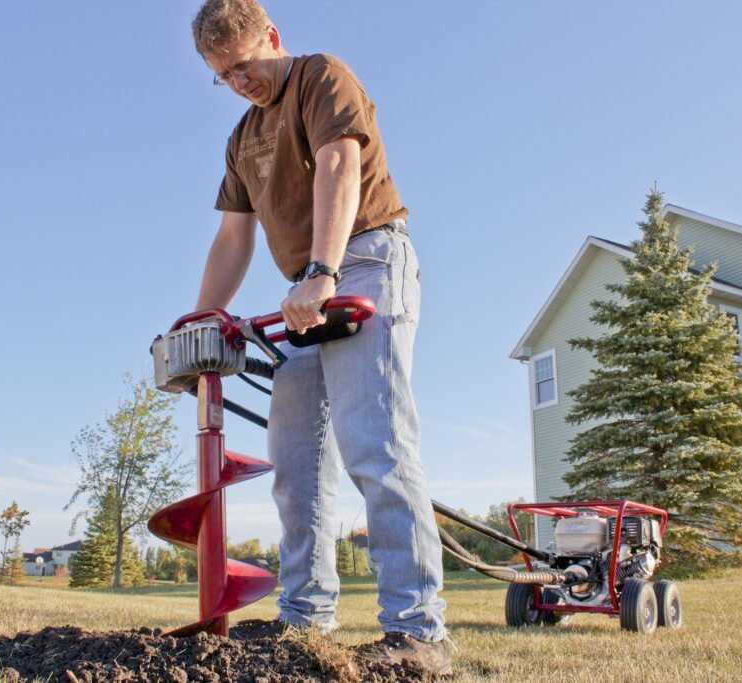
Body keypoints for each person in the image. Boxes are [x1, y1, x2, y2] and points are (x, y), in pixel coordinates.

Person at [190, 0, 450, 674]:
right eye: (223, 76)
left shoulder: (321, 77)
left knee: (376, 442)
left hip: (363, 259)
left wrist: (323, 269)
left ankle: (418, 630)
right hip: (305, 292)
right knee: (295, 461)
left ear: (272, 36)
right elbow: (231, 238)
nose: (239, 82)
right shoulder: (242, 138)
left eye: (244, 65)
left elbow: (338, 167)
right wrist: (198, 322)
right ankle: (305, 618)